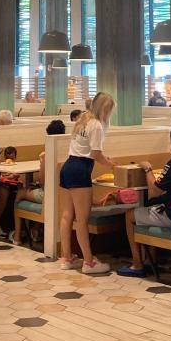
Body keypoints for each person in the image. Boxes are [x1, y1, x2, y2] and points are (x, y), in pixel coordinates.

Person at [118, 124, 171, 277]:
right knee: (154, 207)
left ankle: (137, 264)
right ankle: (151, 261)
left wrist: (147, 169)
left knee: (130, 215)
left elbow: (154, 190)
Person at [58, 91, 115, 274]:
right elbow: (95, 154)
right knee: (82, 220)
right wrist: (111, 165)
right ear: (104, 109)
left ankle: (66, 258)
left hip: (68, 167)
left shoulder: (82, 119)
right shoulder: (97, 125)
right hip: (80, 169)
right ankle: (89, 262)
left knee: (67, 216)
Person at [12, 120, 65, 246]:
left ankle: (17, 236)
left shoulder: (47, 155)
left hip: (48, 196)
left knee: (20, 192)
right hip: (64, 195)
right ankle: (35, 229)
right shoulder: (67, 150)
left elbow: (42, 182)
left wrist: (42, 161)